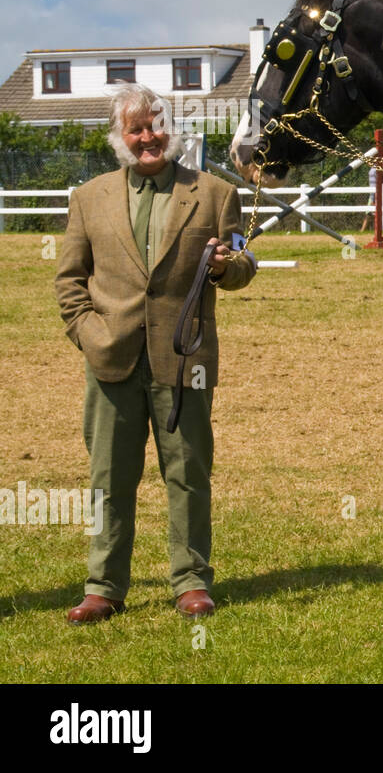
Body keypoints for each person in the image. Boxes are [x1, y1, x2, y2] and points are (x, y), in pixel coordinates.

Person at [54, 83, 257, 625]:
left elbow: (243, 265)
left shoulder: (215, 194)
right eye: (137, 129)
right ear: (120, 139)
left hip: (184, 359)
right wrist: (90, 334)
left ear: (171, 127)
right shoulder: (88, 198)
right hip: (111, 360)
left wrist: (223, 267)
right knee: (108, 479)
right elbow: (69, 282)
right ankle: (104, 586)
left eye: (156, 124)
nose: (149, 137)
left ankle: (191, 582)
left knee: (188, 474)